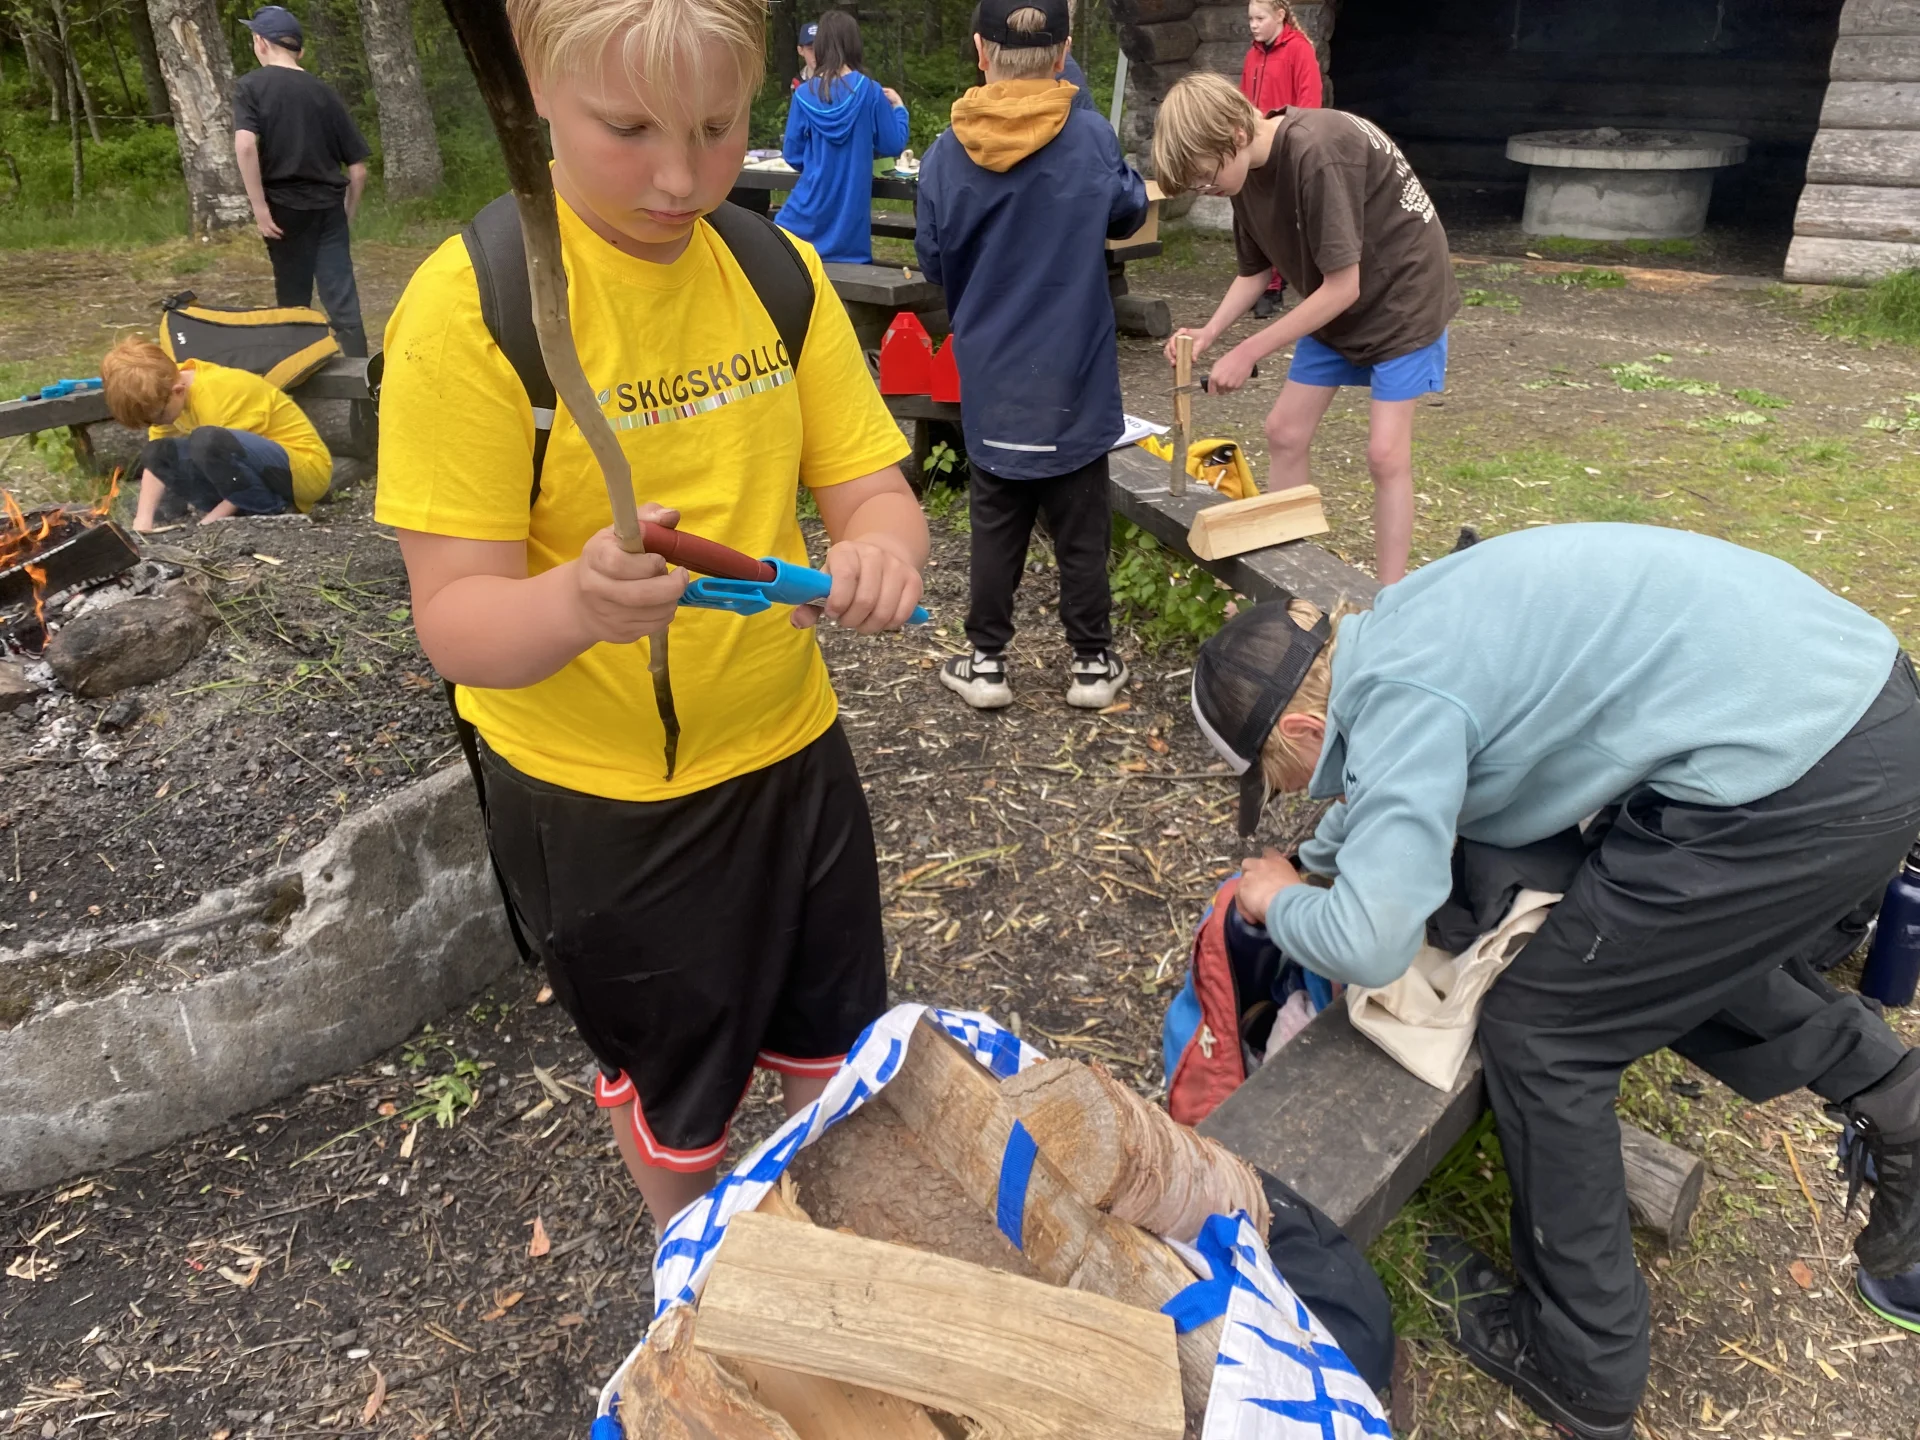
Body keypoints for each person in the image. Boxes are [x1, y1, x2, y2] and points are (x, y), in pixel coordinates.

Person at [375, 0, 928, 1230]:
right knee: (683, 1100)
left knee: (838, 1053)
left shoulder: (770, 270)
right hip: (608, 808)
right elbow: (455, 626)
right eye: (627, 129)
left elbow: (873, 486)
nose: (683, 177)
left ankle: (835, 1260)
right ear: (531, 97)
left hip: (792, 754)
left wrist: (883, 549)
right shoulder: (479, 310)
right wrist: (575, 600)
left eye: (720, 127)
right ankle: (700, 1276)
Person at [1187, 522, 1920, 1440]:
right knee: (1629, 949)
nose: (1295, 790)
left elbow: (1374, 944)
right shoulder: (1400, 628)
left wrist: (1283, 903)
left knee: (1548, 1029)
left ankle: (1584, 1366)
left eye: (1278, 775)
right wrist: (1313, 860)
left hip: (1803, 779)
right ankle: (1901, 1103)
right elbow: (1396, 792)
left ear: (1301, 727)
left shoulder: (1406, 701)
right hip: (1850, 702)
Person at [916, 0, 1146, 712]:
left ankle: (986, 663)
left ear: (980, 50)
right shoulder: (1090, 137)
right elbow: (1129, 212)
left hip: (992, 371)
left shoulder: (947, 151)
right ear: (1064, 50)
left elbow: (932, 259)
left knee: (996, 520)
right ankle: (1093, 665)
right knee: (1081, 525)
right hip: (1072, 368)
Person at [1151, 73, 1457, 585]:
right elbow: (1254, 272)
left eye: (1206, 178)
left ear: (1235, 134)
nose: (1207, 190)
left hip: (1403, 298)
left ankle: (1390, 599)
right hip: (1336, 302)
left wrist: (1248, 349)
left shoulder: (1316, 151)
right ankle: (1287, 578)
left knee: (1384, 454)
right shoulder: (1242, 174)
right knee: (1285, 431)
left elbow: (1343, 288)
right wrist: (1210, 333)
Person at [231, 5, 371, 359]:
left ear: (261, 42)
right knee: (342, 302)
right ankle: (363, 396)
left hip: (284, 211)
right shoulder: (324, 92)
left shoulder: (251, 86)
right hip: (328, 209)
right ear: (300, 51)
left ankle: (300, 381)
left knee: (293, 301)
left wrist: (260, 208)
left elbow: (246, 144)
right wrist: (346, 216)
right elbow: (358, 170)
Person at [101, 335, 331, 531]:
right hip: (255, 470)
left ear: (178, 391)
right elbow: (157, 462)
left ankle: (272, 510)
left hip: (303, 470)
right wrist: (143, 520)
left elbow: (231, 464)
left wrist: (207, 525)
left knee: (206, 442)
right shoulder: (167, 393)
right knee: (158, 451)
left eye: (157, 417)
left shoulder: (217, 395)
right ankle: (244, 512)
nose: (156, 423)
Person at [779, 10, 909, 265]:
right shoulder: (870, 91)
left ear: (821, 45)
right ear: (854, 44)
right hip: (848, 234)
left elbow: (792, 155)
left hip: (800, 223)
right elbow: (892, 144)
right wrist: (899, 108)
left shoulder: (804, 94)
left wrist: (822, 165)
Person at [1237, 0, 1320, 318]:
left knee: (1284, 216)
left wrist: (1297, 142)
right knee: (1259, 215)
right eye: (1250, 19)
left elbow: (1309, 102)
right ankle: (1263, 281)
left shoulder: (1300, 51)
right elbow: (1242, 102)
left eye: (1260, 18)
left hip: (1285, 144)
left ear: (1280, 17)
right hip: (1255, 147)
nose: (1253, 25)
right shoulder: (1252, 55)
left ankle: (1275, 286)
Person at [791, 20, 818, 92]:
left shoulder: (836, 78)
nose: (816, 54)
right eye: (811, 49)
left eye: (820, 47)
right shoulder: (797, 83)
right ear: (801, 50)